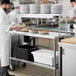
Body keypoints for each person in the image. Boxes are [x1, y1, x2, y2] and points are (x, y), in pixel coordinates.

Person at [0, 0, 15, 76]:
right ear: (5, 4)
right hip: (2, 37)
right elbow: (3, 25)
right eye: (9, 5)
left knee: (3, 56)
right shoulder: (1, 12)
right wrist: (11, 28)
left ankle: (5, 73)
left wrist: (10, 26)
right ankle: (4, 74)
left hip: (3, 36)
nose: (9, 7)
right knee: (4, 56)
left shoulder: (2, 11)